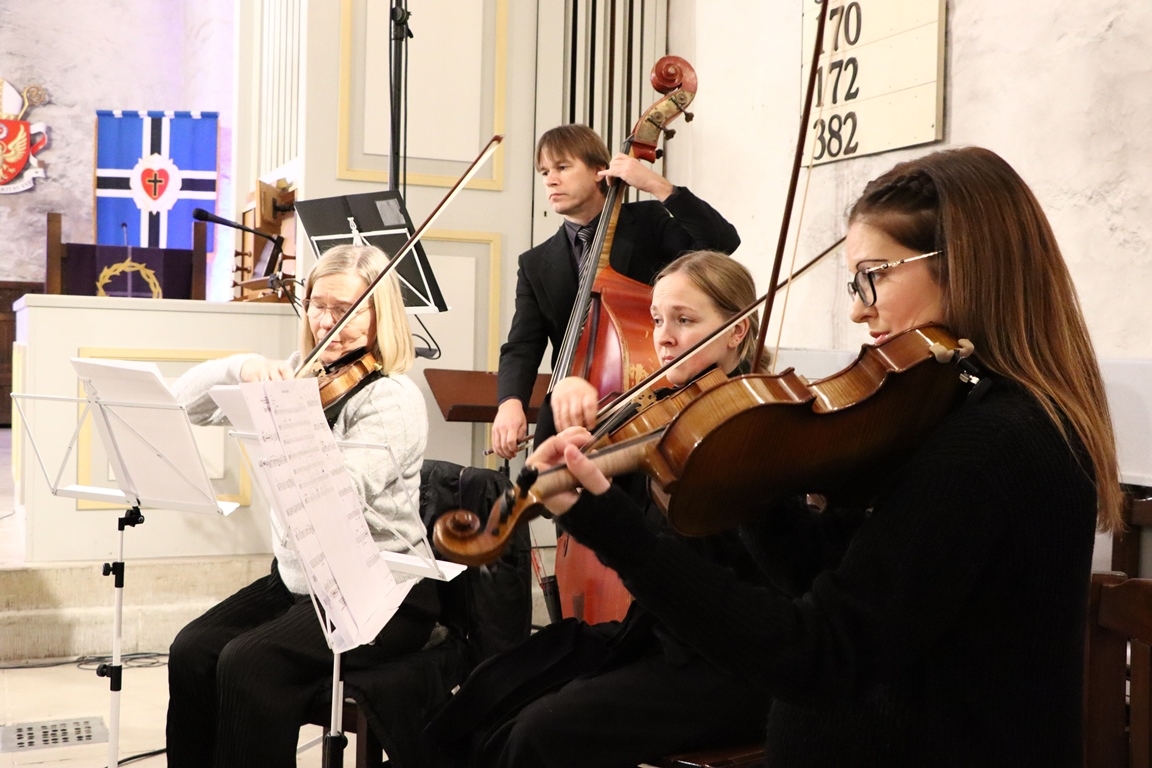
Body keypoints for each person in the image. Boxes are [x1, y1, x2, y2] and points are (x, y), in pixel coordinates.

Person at [519, 147, 1122, 766]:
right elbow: (828, 583)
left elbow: (826, 654)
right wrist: (751, 474)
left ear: (964, 265)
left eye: (873, 275)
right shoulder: (950, 411)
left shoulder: (993, 442)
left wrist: (622, 535)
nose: (859, 308)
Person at [428, 251, 775, 768]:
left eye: (684, 320)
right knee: (488, 692)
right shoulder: (659, 415)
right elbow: (582, 508)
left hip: (727, 659)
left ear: (736, 332)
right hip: (651, 635)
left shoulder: (764, 423)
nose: (664, 337)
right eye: (658, 320)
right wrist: (562, 401)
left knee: (540, 732)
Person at [165, 244, 437, 768]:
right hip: (299, 580)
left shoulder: (392, 398)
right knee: (191, 648)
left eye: (346, 310)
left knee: (249, 662)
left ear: (381, 315)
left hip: (380, 591)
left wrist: (290, 425)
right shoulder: (299, 373)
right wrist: (243, 368)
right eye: (318, 305)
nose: (327, 321)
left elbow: (337, 495)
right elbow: (184, 402)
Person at [490, 123, 742, 459]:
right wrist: (510, 403)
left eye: (562, 167)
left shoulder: (649, 222)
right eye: (545, 172)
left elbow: (722, 243)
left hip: (643, 397)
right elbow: (522, 345)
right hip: (567, 405)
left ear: (599, 170)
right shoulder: (535, 263)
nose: (551, 180)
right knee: (549, 483)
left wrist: (655, 184)